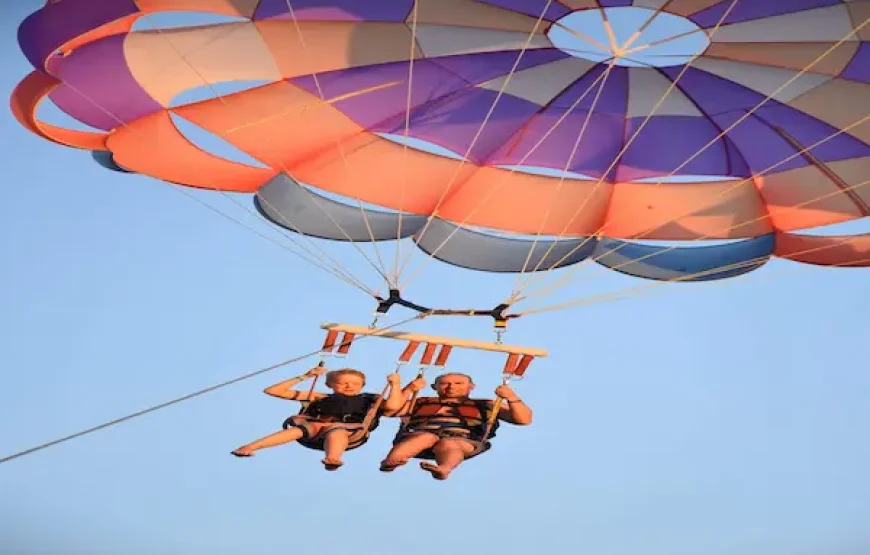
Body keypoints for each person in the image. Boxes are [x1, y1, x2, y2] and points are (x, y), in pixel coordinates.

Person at [231, 366, 406, 470]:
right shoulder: (319, 397)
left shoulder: (370, 399)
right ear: (329, 384)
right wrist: (305, 376)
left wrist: (395, 385)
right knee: (298, 430)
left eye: (355, 384)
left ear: (362, 386)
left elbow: (393, 406)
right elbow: (273, 391)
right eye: (342, 383)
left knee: (335, 430)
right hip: (315, 429)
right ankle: (251, 446)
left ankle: (333, 458)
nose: (348, 386)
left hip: (351, 431)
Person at [380, 372, 532, 480]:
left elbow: (523, 419)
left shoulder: (485, 405)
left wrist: (511, 397)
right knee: (426, 437)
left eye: (459, 383)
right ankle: (392, 460)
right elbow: (390, 410)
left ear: (471, 386)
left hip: (464, 440)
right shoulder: (421, 402)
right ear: (435, 387)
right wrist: (408, 389)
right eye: (445, 383)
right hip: (420, 435)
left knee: (449, 443)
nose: (451, 387)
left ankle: (444, 468)